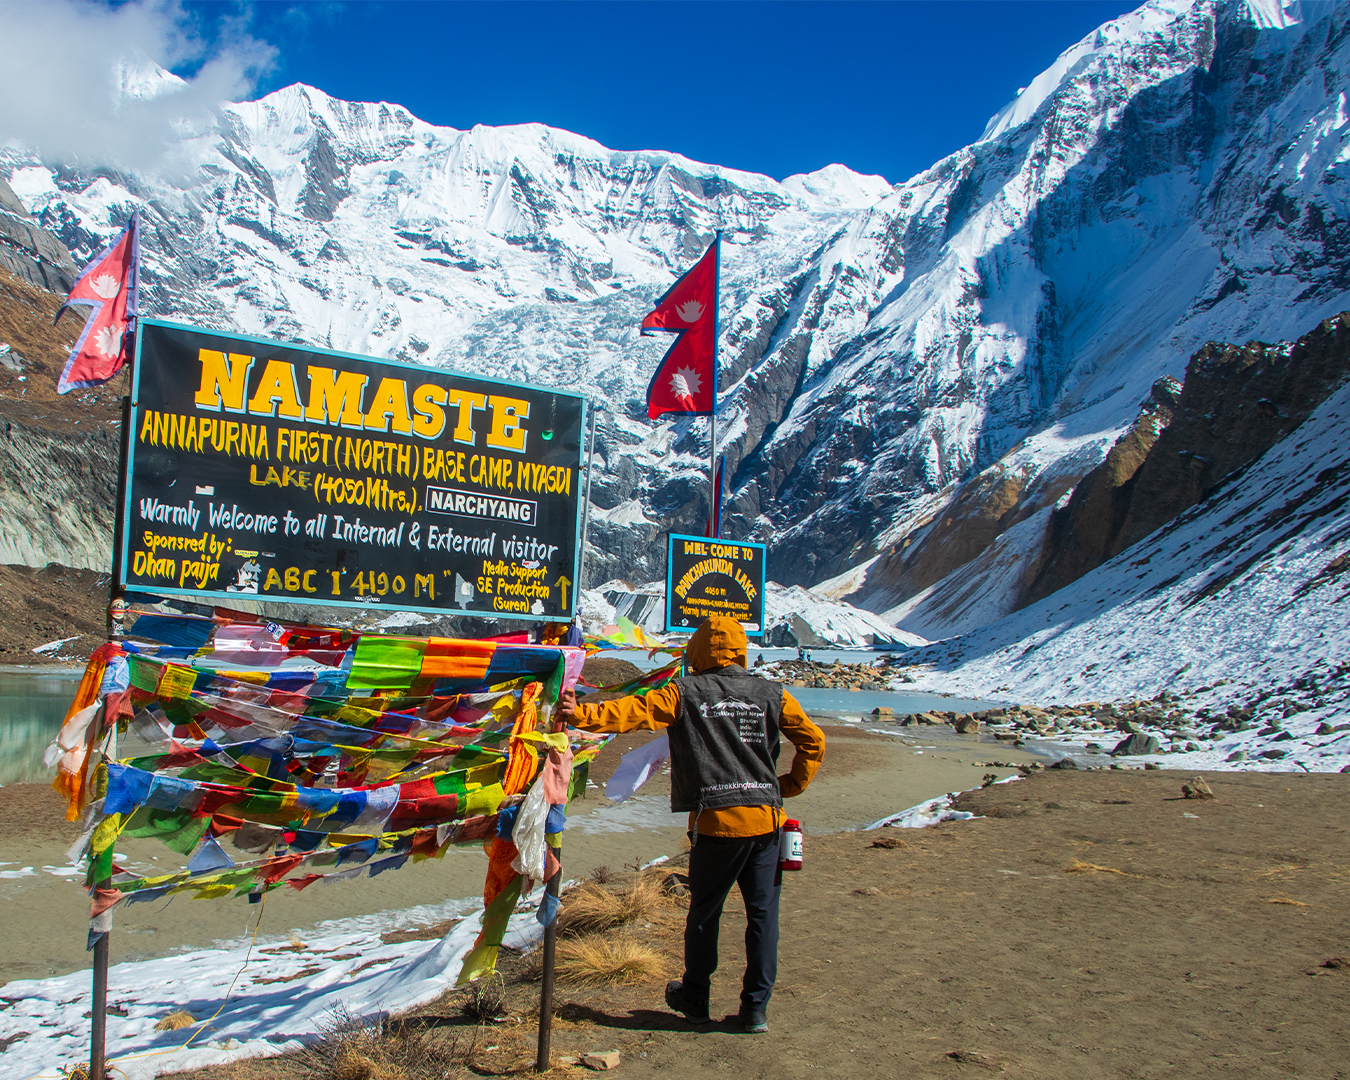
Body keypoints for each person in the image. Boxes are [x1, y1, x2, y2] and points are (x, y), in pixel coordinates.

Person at [558, 616, 825, 1033]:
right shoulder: (773, 693)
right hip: (767, 821)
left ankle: (695, 998)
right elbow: (814, 741)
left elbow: (636, 711)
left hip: (716, 823)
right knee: (762, 917)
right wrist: (788, 785)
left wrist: (582, 714)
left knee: (705, 914)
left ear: (697, 652)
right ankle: (755, 1009)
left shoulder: (685, 692)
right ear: (740, 650)